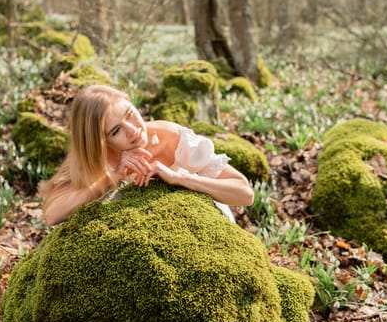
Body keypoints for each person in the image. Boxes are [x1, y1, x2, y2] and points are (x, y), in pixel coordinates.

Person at [42, 84, 254, 226]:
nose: (134, 130)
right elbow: (51, 215)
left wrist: (180, 178)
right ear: (101, 141)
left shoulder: (170, 137)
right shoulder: (97, 159)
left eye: (130, 114)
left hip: (201, 224)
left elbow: (245, 194)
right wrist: (113, 175)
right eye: (116, 130)